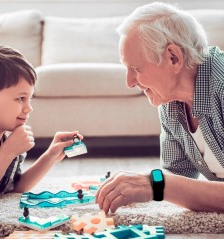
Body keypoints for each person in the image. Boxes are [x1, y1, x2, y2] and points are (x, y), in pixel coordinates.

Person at [96, 2, 224, 214]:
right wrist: (146, 183)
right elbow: (176, 177)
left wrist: (157, 184)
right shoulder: (170, 103)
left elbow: (166, 184)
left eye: (136, 68)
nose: (129, 82)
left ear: (173, 57)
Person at [0, 45, 83, 206]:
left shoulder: (10, 137)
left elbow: (15, 187)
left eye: (29, 99)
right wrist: (7, 152)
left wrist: (50, 156)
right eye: (20, 98)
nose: (29, 108)